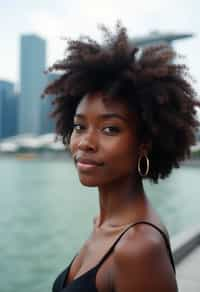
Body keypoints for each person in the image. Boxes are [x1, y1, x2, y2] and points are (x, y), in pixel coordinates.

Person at [43, 22, 200, 292]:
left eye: (110, 129)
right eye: (80, 126)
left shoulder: (139, 247)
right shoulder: (104, 223)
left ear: (144, 144)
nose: (86, 143)